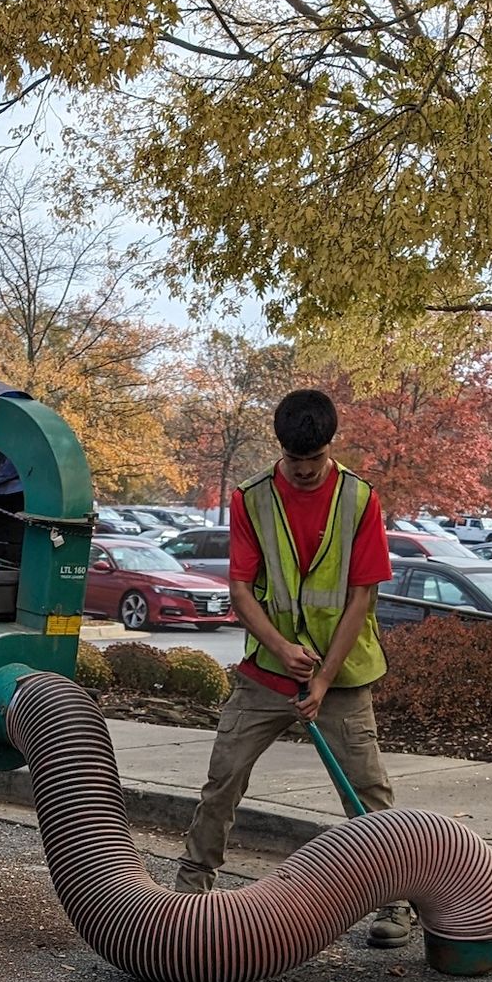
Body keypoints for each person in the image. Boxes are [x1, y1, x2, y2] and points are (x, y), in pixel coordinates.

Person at [175, 387, 412, 947]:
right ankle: (189, 890)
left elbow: (361, 597)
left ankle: (397, 903)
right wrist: (281, 649)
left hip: (343, 675)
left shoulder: (360, 499)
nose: (305, 470)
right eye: (294, 459)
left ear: (331, 446)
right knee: (222, 780)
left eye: (315, 458)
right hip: (267, 670)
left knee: (367, 794)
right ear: (280, 447)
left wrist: (324, 677)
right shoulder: (252, 498)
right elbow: (239, 589)